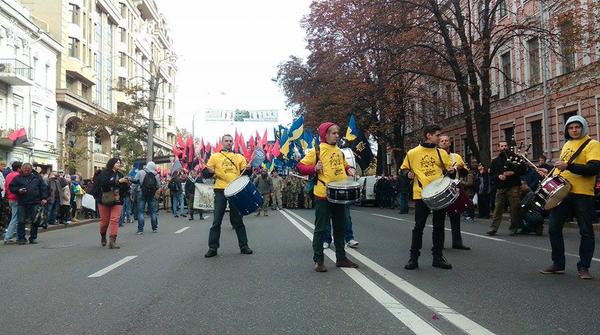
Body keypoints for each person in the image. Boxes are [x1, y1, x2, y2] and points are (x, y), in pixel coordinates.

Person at [539, 115, 600, 280]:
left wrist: (569, 166)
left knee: (586, 231)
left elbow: (593, 169)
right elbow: (562, 168)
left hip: (583, 194)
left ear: (583, 128)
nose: (574, 130)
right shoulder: (566, 144)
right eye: (571, 128)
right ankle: (558, 264)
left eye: (577, 127)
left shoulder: (593, 144)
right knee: (553, 228)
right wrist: (549, 174)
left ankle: (584, 267)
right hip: (562, 193)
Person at [298, 122, 359, 272]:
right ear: (325, 134)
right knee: (320, 229)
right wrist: (314, 168)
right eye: (333, 133)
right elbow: (300, 167)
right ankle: (318, 260)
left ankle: (341, 258)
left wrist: (349, 170)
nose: (337, 135)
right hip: (323, 195)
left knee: (340, 228)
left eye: (338, 133)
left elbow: (343, 165)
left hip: (339, 195)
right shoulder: (316, 151)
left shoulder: (339, 151)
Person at [400, 124, 454, 270]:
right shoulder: (413, 153)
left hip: (439, 194)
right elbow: (403, 170)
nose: (439, 137)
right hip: (421, 194)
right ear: (428, 135)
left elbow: (450, 172)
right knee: (419, 227)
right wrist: (407, 174)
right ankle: (413, 258)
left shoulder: (441, 153)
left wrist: (452, 171)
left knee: (439, 226)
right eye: (437, 135)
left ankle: (437, 257)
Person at [203, 134, 253, 258]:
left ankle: (244, 246)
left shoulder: (239, 157)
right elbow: (206, 174)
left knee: (238, 220)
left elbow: (245, 174)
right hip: (220, 190)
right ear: (222, 142)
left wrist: (249, 168)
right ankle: (212, 248)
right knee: (217, 220)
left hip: (235, 191)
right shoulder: (215, 157)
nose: (229, 143)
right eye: (226, 141)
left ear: (233, 143)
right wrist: (208, 172)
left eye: (231, 141)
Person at [486, 141, 526, 236]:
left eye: (505, 146)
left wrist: (513, 172)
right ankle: (493, 228)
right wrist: (498, 176)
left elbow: (523, 169)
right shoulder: (495, 161)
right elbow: (492, 175)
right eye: (501, 146)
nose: (504, 147)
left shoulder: (515, 158)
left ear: (508, 146)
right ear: (498, 148)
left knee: (514, 208)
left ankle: (514, 227)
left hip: (513, 186)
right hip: (501, 187)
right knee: (498, 208)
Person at [438, 135, 470, 250]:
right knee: (440, 217)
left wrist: (461, 168)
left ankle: (457, 241)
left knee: (455, 215)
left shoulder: (456, 156)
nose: (444, 142)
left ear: (450, 143)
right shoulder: (435, 156)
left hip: (454, 187)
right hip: (440, 188)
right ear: (439, 143)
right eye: (442, 141)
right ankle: (439, 243)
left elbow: (465, 173)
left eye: (446, 140)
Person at [94, 158, 130, 249]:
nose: (119, 164)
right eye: (117, 162)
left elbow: (124, 189)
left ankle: (112, 241)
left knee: (115, 219)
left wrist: (126, 183)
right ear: (112, 163)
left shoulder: (120, 174)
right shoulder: (104, 173)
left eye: (119, 162)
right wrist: (118, 181)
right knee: (104, 222)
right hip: (104, 200)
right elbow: (104, 184)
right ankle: (103, 236)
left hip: (117, 200)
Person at [9, 163, 49, 245]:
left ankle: (33, 238)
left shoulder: (37, 178)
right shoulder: (17, 178)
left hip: (35, 202)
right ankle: (21, 238)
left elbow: (43, 188)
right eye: (25, 169)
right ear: (22, 169)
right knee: (21, 221)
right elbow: (12, 187)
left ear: (31, 170)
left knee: (35, 221)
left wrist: (44, 198)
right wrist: (18, 190)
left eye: (28, 170)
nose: (26, 171)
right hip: (22, 202)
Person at [132, 161, 161, 234]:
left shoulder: (140, 172)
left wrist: (133, 192)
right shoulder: (156, 175)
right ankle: (154, 228)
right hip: (151, 194)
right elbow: (158, 186)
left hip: (141, 192)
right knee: (153, 211)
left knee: (140, 211)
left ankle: (140, 230)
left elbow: (135, 182)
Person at [3, 161, 22, 244]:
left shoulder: (8, 175)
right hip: (16, 198)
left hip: (10, 198)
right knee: (15, 218)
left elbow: (5, 187)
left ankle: (14, 236)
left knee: (15, 217)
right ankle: (8, 237)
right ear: (18, 168)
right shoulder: (18, 176)